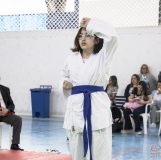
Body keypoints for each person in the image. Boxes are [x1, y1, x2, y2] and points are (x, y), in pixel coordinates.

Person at [60, 17, 118, 160]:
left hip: (97, 105)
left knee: (100, 148)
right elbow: (63, 75)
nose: (83, 39)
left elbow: (114, 37)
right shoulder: (71, 58)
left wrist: (92, 24)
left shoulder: (103, 56)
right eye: (80, 36)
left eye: (88, 35)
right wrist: (64, 82)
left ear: (97, 39)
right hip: (76, 106)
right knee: (77, 148)